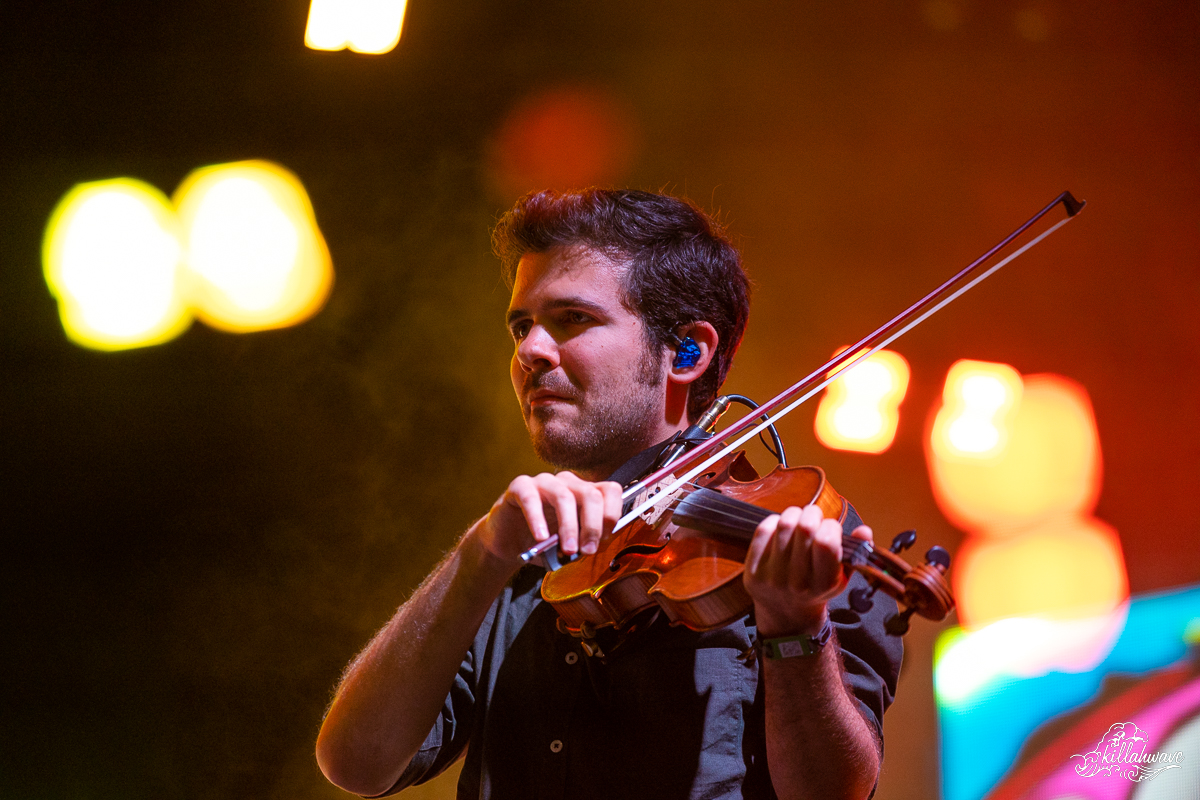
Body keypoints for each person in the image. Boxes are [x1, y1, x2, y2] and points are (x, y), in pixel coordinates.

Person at [315, 189, 903, 800]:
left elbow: (830, 794)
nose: (530, 352)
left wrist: (794, 627)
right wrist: (479, 552)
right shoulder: (516, 549)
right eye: (521, 326)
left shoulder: (792, 534)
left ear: (687, 352)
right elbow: (356, 764)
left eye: (574, 319)